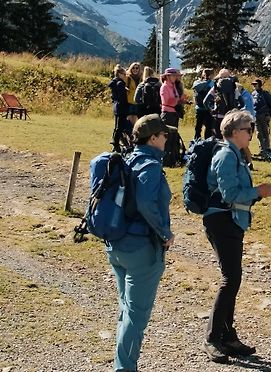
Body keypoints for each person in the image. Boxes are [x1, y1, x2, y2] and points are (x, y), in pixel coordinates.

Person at [204, 110, 271, 361]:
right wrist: (258, 190)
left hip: (231, 221)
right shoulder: (226, 155)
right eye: (249, 129)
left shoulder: (235, 154)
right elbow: (230, 194)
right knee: (230, 280)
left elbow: (239, 193)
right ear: (235, 132)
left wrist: (259, 193)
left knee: (233, 279)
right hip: (222, 221)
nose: (252, 133)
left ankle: (228, 337)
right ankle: (213, 339)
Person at [105, 115, 174, 372]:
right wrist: (165, 233)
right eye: (165, 135)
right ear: (153, 138)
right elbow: (146, 203)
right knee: (136, 316)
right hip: (141, 248)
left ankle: (121, 364)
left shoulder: (128, 158)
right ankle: (124, 368)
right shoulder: (150, 165)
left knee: (126, 310)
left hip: (117, 244)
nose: (167, 138)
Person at [108, 66, 131, 152]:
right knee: (120, 126)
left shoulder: (114, 83)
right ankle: (116, 143)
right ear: (119, 74)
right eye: (124, 74)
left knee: (117, 126)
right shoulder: (120, 83)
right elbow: (123, 97)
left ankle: (115, 142)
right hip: (121, 107)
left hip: (116, 106)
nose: (125, 76)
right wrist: (127, 105)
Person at [250, 79, 271, 156]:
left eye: (256, 84)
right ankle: (262, 150)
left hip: (264, 116)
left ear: (260, 85)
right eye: (253, 84)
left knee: (265, 133)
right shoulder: (253, 93)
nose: (254, 86)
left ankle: (267, 150)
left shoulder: (265, 93)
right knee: (259, 134)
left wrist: (270, 115)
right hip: (256, 116)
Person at [192, 68, 215, 140]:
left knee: (198, 126)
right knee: (208, 127)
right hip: (209, 108)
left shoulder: (197, 83)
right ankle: (207, 141)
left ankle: (196, 140)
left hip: (199, 108)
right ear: (211, 75)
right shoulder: (212, 83)